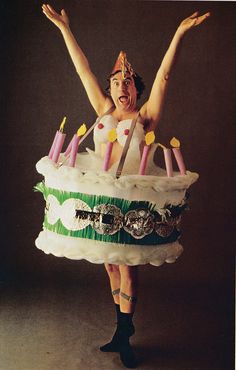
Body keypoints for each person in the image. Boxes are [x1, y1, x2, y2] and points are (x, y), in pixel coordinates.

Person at [41, 4, 210, 368]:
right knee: (110, 264)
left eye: (127, 82)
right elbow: (81, 69)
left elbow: (164, 77)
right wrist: (64, 29)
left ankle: (126, 333)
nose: (121, 86)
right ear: (110, 88)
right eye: (116, 82)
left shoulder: (145, 117)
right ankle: (119, 329)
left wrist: (179, 33)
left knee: (128, 265)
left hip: (133, 200)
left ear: (136, 88)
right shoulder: (102, 109)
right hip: (103, 194)